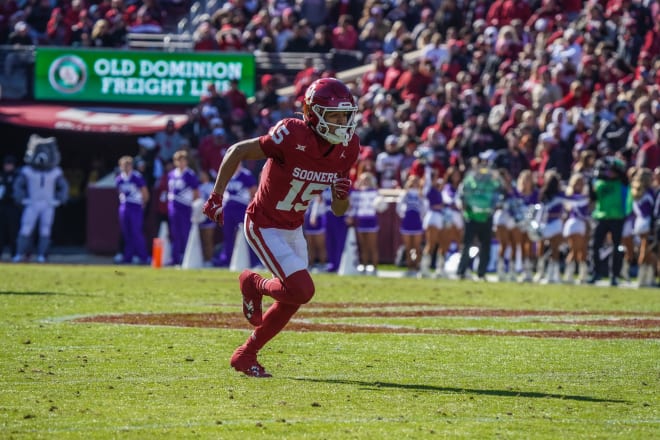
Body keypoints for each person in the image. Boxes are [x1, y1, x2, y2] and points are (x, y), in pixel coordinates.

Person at [202, 77, 359, 377]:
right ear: (313, 114)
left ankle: (246, 354)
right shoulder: (291, 134)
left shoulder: (348, 147)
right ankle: (253, 284)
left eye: (345, 115)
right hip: (263, 222)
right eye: (334, 115)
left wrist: (342, 196)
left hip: (293, 226)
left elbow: (339, 210)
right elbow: (237, 150)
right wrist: (216, 195)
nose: (342, 123)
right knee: (302, 288)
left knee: (293, 297)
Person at [456, 157, 502, 281]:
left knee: (486, 246)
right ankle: (462, 271)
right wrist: (465, 208)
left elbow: (498, 195)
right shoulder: (469, 180)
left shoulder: (492, 181)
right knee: (467, 245)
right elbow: (462, 196)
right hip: (471, 217)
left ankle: (481, 273)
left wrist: (493, 208)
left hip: (486, 217)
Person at [588, 157, 630, 286]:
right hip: (601, 217)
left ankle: (614, 276)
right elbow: (592, 197)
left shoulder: (621, 183)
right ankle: (595, 273)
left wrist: (614, 164)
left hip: (617, 218)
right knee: (595, 246)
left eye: (611, 171)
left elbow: (624, 174)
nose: (609, 173)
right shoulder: (599, 183)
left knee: (616, 247)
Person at [213, 162, 258, 268]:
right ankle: (227, 259)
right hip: (228, 208)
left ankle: (253, 261)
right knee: (227, 235)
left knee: (248, 234)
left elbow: (253, 190)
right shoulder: (226, 173)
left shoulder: (245, 175)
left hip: (242, 207)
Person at [167, 149, 200, 266]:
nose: (181, 163)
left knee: (185, 232)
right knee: (174, 233)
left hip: (185, 207)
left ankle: (186, 256)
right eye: (178, 160)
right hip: (173, 206)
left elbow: (196, 192)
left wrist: (193, 204)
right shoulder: (171, 174)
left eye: (183, 160)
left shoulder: (190, 174)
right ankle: (175, 257)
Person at [115, 156, 149, 265]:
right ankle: (128, 256)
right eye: (124, 165)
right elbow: (119, 192)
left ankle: (143, 256)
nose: (126, 167)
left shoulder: (136, 177)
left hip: (135, 206)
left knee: (136, 232)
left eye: (128, 165)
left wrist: (142, 203)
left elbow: (145, 193)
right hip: (125, 206)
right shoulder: (119, 178)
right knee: (126, 232)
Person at [0, 155, 21, 260]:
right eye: (6, 164)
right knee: (1, 232)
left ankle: (15, 254)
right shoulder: (1, 176)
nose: (8, 166)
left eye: (10, 164)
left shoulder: (18, 176)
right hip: (2, 207)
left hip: (13, 207)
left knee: (13, 232)